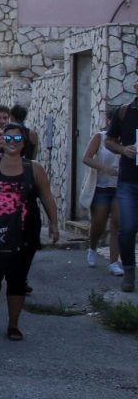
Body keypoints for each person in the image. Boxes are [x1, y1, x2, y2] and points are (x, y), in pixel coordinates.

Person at [0, 124, 59, 340]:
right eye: (8, 138)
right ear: (2, 141)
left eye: (17, 139)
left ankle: (13, 324)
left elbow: (46, 197)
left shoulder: (34, 169)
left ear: (23, 144)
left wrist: (54, 223)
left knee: (17, 280)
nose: (12, 143)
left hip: (24, 234)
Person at [105, 77, 138, 292]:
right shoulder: (125, 112)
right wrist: (123, 150)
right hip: (129, 182)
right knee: (127, 229)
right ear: (136, 87)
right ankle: (129, 272)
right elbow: (109, 140)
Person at [83, 109, 123, 276]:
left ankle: (114, 262)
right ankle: (92, 248)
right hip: (101, 187)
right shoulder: (100, 137)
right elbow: (86, 157)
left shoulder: (128, 140)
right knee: (98, 222)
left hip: (121, 188)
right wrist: (105, 168)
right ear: (108, 121)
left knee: (117, 223)